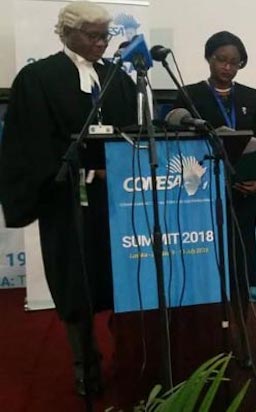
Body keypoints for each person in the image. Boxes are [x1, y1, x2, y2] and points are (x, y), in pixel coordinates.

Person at [0, 1, 137, 395]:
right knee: (76, 283)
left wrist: (118, 166)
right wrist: (82, 170)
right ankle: (86, 366)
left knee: (124, 279)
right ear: (68, 34)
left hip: (118, 200)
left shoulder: (117, 78)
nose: (101, 43)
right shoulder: (38, 78)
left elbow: (132, 130)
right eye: (93, 36)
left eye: (105, 36)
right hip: (67, 201)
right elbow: (30, 142)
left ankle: (129, 357)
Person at [172, 31, 256, 335]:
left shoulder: (251, 97)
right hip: (203, 194)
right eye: (221, 60)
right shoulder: (189, 95)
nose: (227, 67)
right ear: (208, 58)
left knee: (239, 264)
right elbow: (178, 144)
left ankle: (239, 329)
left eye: (234, 62)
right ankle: (205, 329)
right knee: (206, 261)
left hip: (243, 192)